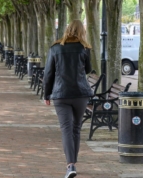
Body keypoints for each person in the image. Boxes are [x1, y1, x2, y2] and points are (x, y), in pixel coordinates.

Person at [42, 20, 93, 178]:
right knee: (76, 128)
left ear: (67, 30)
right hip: (80, 94)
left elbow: (48, 74)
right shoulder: (84, 48)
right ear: (81, 31)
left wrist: (46, 94)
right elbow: (88, 70)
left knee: (66, 129)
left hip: (61, 94)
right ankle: (73, 163)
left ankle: (70, 165)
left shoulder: (55, 48)